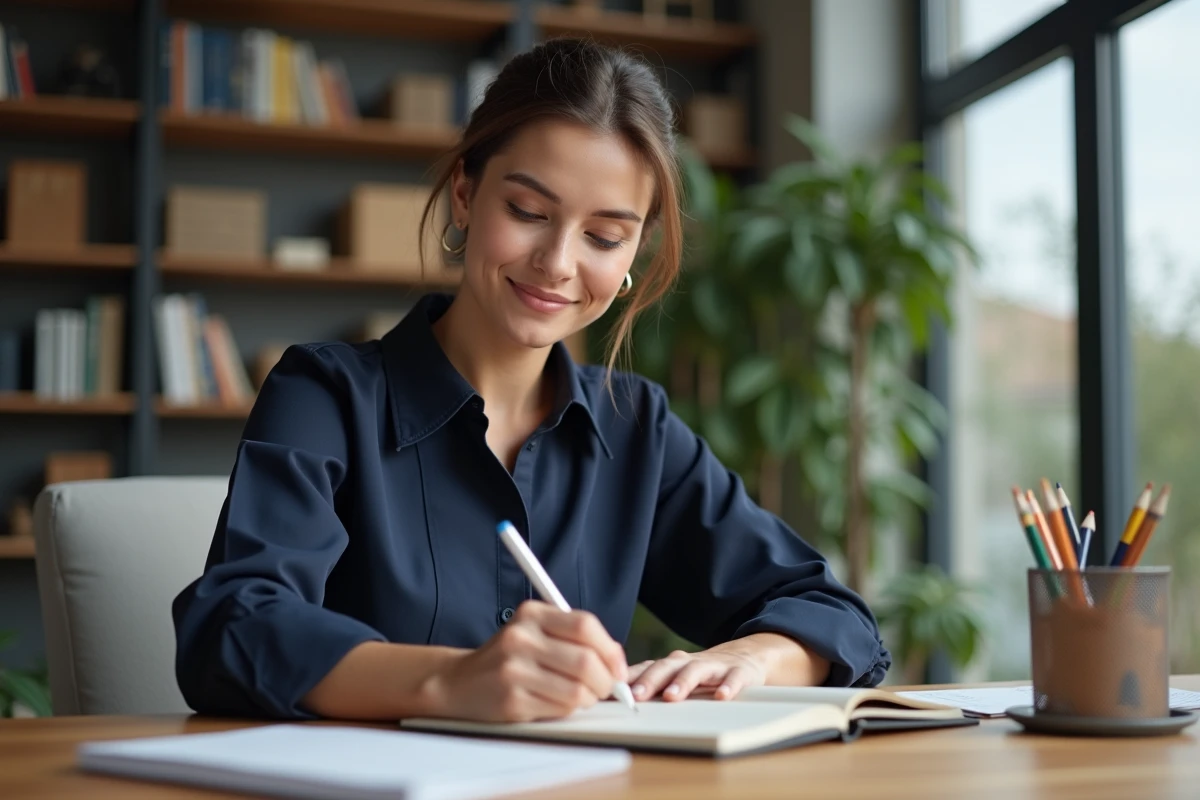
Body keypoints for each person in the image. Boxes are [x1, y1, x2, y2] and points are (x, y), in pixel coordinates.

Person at [172, 37, 890, 724]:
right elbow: (230, 630)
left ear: (635, 249)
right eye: (527, 212)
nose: (557, 262)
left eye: (604, 237)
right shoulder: (324, 395)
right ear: (464, 193)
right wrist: (450, 680)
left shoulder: (635, 428)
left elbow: (836, 617)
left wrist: (753, 659)